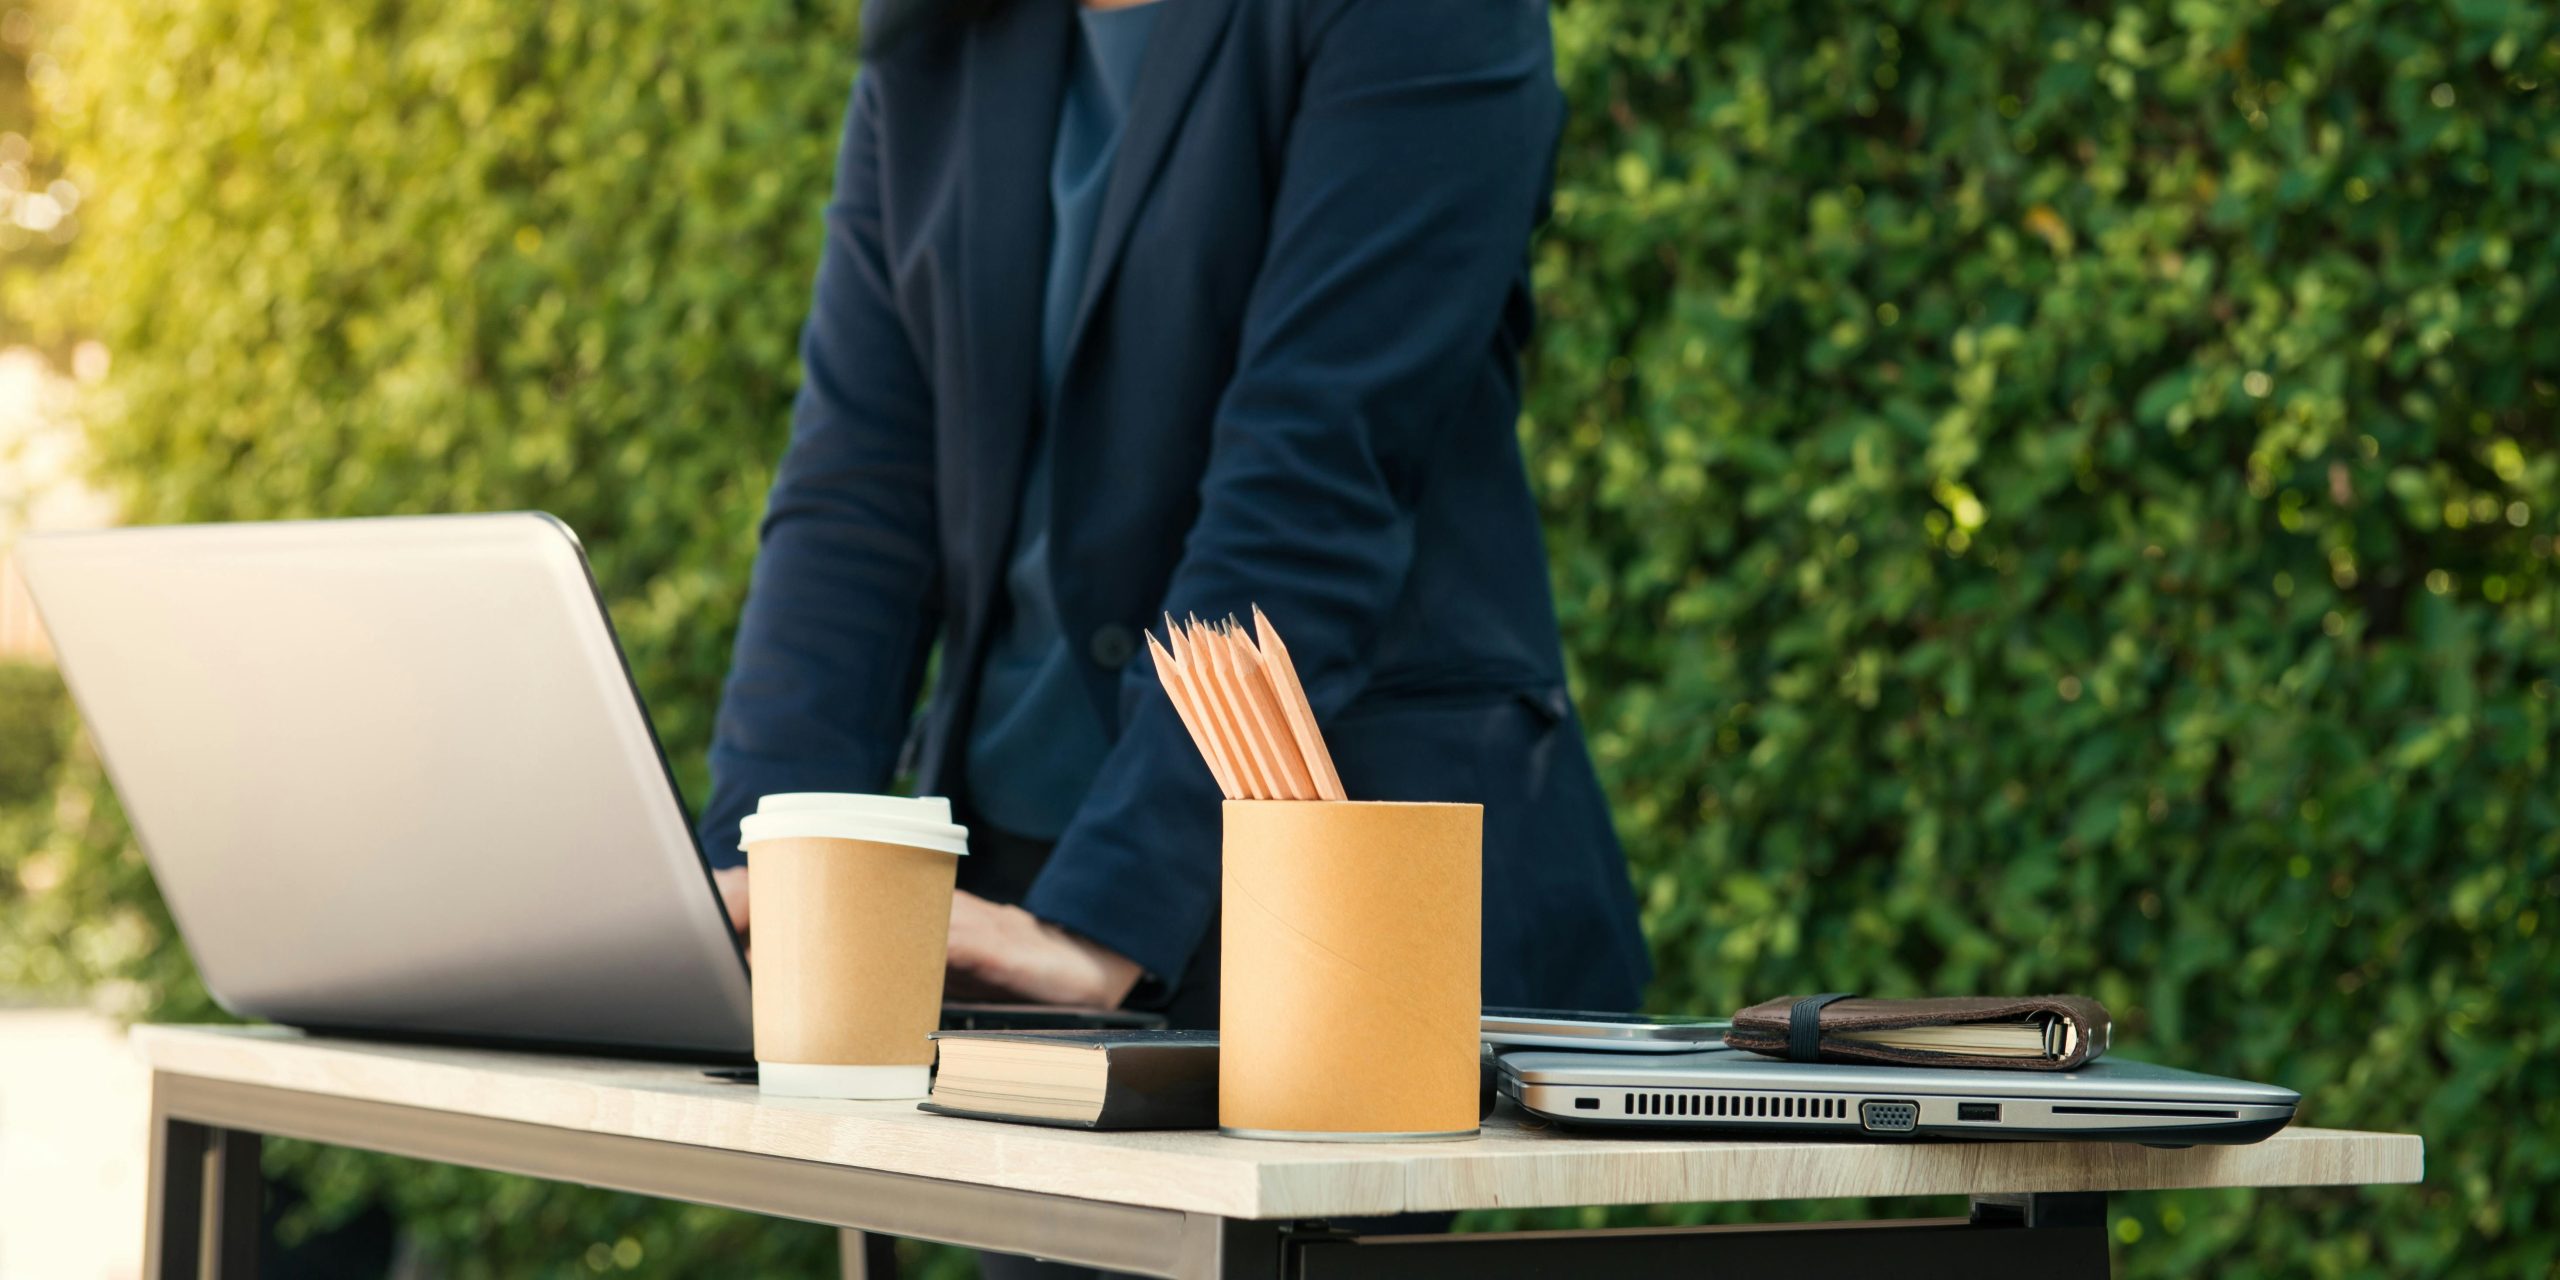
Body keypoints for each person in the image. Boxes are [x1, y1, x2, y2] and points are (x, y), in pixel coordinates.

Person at [701, 0, 1648, 1040]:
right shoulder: (947, 32)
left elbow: (1315, 473)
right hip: (995, 898)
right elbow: (855, 496)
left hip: (1326, 913)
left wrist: (1100, 923)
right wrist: (758, 873)